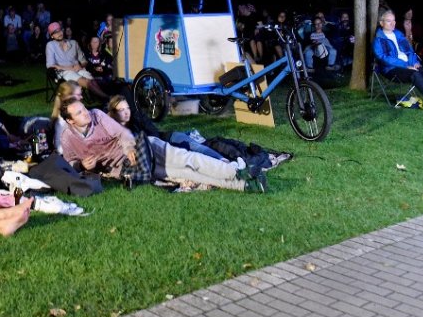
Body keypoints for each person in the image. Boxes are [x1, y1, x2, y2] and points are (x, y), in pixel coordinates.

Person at [103, 96, 271, 191]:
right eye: (121, 110)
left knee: (197, 150)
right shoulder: (113, 132)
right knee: (193, 168)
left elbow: (154, 135)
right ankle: (242, 182)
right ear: (112, 113)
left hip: (166, 141)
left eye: (127, 109)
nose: (126, 113)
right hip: (157, 159)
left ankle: (229, 165)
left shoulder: (137, 119)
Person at [373, 10, 423, 112]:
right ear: (381, 23)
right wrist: (405, 66)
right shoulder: (378, 40)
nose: (393, 23)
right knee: (415, 74)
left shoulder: (399, 34)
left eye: (394, 20)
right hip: (392, 69)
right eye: (389, 21)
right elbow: (383, 58)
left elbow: (409, 51)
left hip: (410, 66)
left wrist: (414, 62)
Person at [45, 21, 109, 100]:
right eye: (55, 32)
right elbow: (50, 65)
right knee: (87, 82)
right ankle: (107, 98)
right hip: (63, 72)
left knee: (92, 80)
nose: (59, 33)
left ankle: (103, 97)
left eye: (59, 30)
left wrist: (81, 65)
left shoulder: (73, 43)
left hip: (77, 69)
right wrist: (70, 68)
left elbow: (84, 61)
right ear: (52, 36)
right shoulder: (50, 45)